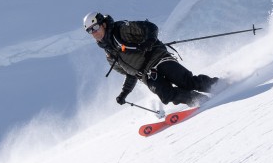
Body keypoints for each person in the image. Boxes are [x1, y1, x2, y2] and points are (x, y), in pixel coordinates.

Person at [83, 12, 219, 108]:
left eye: (95, 27)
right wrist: (124, 93)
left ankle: (219, 86)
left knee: (186, 82)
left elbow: (150, 27)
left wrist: (149, 41)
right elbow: (130, 73)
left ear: (103, 25)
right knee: (166, 95)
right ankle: (199, 100)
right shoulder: (110, 54)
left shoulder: (122, 29)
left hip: (158, 58)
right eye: (90, 31)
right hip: (147, 75)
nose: (94, 32)